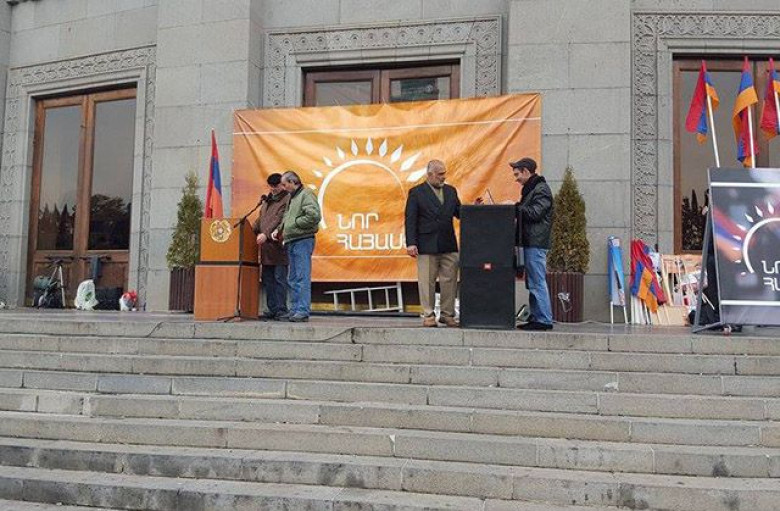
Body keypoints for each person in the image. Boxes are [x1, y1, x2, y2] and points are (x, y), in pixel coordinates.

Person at [404, 159, 461, 328]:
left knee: (450, 280)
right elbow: (410, 219)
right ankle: (429, 314)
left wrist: (474, 209)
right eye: (440, 174)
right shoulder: (416, 192)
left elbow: (459, 212)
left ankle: (447, 314)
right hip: (426, 243)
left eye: (444, 173)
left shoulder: (451, 191)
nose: (444, 177)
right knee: (427, 281)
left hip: (448, 242)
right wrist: (411, 243)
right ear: (429, 174)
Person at [272, 171, 321, 322]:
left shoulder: (306, 194)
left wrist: (294, 224)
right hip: (292, 240)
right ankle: (294, 310)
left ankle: (302, 311)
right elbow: (287, 217)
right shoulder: (292, 197)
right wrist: (279, 229)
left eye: (285, 184)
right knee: (292, 278)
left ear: (293, 182)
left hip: (302, 241)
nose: (283, 187)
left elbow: (314, 216)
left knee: (301, 277)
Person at [512, 157, 554, 331]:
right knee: (533, 282)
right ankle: (537, 317)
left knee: (537, 281)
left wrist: (514, 207)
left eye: (517, 174)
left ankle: (544, 319)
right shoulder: (533, 189)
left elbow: (535, 213)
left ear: (526, 171)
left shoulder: (541, 189)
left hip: (535, 243)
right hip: (531, 242)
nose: (516, 179)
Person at [252, 173, 290, 321]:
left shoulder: (287, 199)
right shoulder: (267, 200)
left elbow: (279, 220)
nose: (273, 189)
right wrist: (249, 230)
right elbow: (260, 220)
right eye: (271, 186)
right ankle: (272, 308)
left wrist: (266, 234)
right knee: (268, 280)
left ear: (282, 185)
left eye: (276, 186)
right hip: (266, 248)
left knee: (279, 279)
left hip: (278, 246)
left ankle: (281, 309)